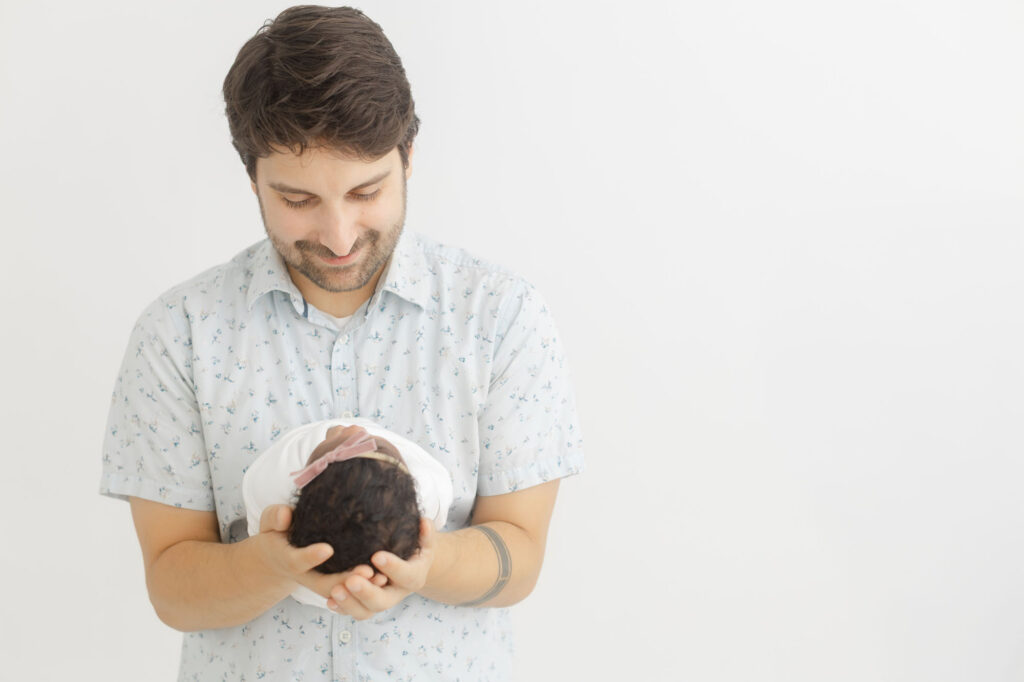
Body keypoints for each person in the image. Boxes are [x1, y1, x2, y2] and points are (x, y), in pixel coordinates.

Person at [99, 5, 584, 680]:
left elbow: (520, 556)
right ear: (251, 178)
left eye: (366, 190)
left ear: (408, 157)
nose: (338, 235)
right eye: (298, 200)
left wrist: (424, 562)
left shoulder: (499, 318)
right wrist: (266, 565)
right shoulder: (179, 335)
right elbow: (173, 587)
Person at [241, 418, 454, 610]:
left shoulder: (273, 479)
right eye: (376, 445)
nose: (357, 432)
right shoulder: (431, 488)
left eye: (338, 449)